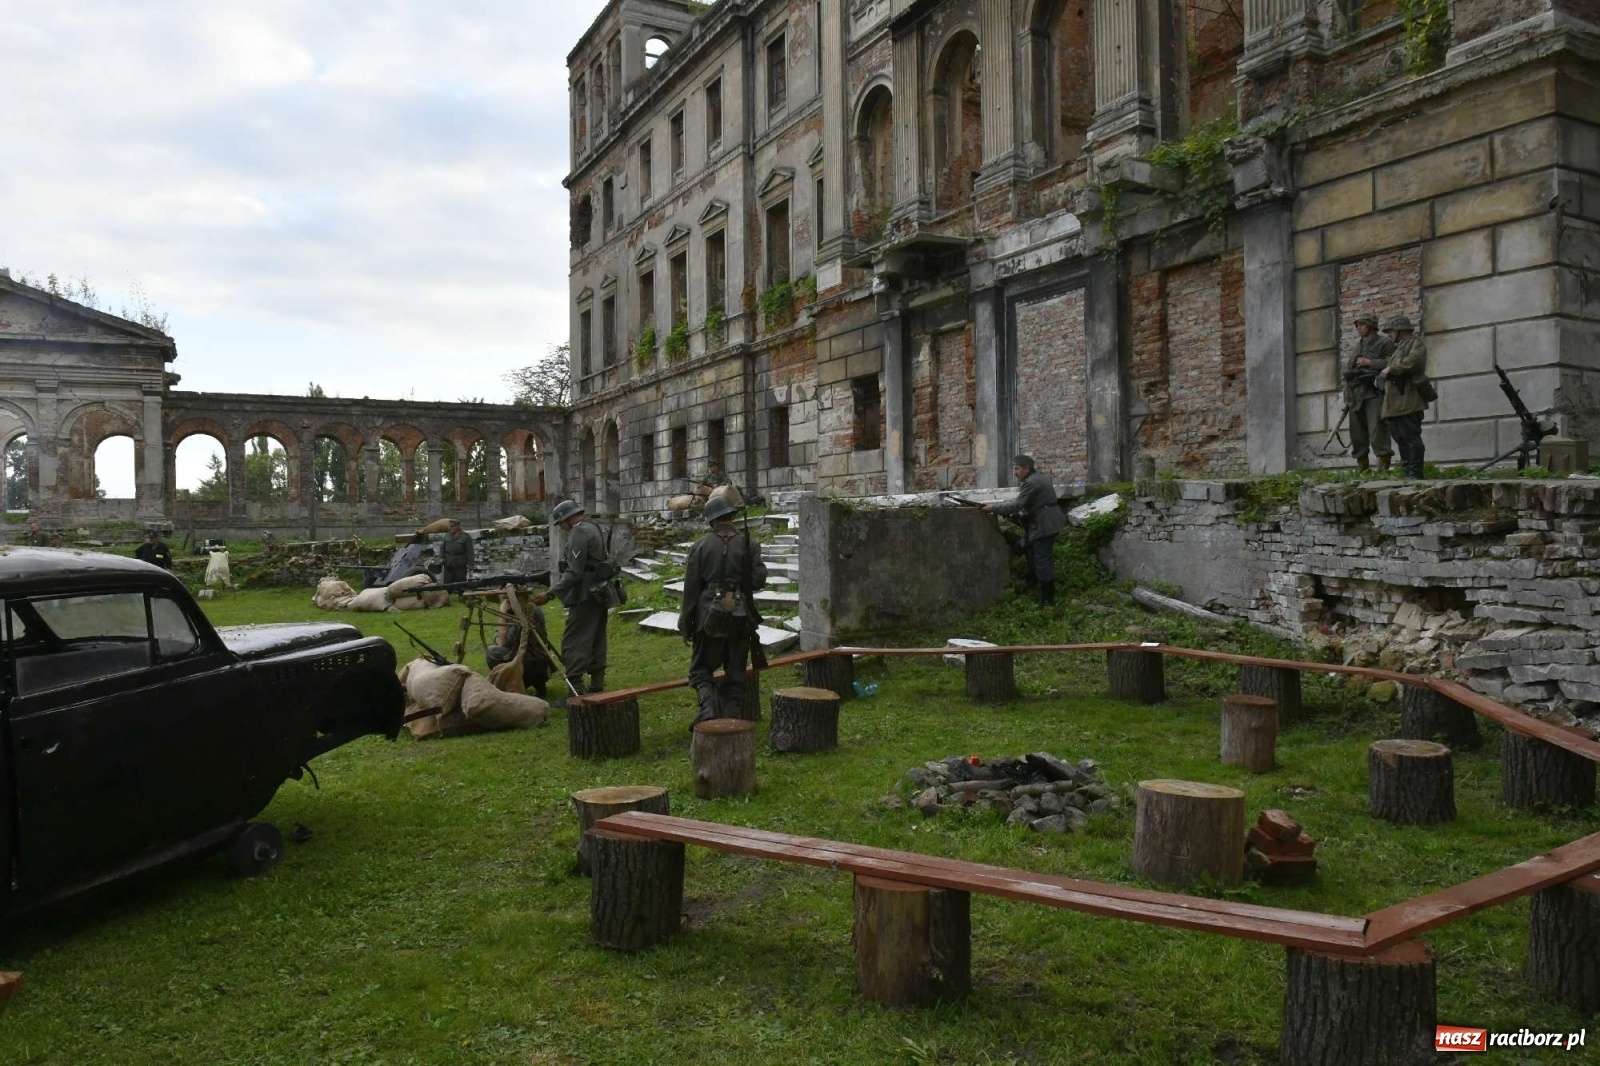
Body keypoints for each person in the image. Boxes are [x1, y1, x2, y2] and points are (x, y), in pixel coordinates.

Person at [679, 494, 767, 728]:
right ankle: (733, 720)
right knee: (736, 673)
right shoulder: (749, 543)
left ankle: (708, 708)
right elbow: (759, 580)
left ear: (711, 520)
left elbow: (691, 589)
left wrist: (685, 622)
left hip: (709, 616)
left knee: (700, 670)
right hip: (740, 615)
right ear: (732, 516)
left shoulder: (700, 546)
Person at [533, 500, 611, 697]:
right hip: (599, 593)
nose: (562, 528)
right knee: (596, 639)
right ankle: (596, 685)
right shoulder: (593, 527)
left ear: (567, 519)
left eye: (561, 524)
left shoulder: (579, 532)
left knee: (573, 641)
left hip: (585, 595)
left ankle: (575, 691)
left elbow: (574, 573)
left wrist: (550, 593)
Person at [983, 454, 1066, 605]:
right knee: (1027, 546)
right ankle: (1032, 580)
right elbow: (1026, 503)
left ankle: (1048, 600)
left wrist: (994, 508)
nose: (1015, 472)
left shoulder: (1031, 483)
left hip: (1044, 524)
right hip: (1049, 520)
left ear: (1026, 469)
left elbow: (1017, 505)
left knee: (1043, 560)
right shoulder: (1039, 478)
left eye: (1017, 468)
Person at [1378, 315, 1432, 479]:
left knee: (1410, 436)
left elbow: (1413, 361)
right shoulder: (1400, 347)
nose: (1389, 335)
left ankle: (1415, 472)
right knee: (1399, 437)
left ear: (1400, 330)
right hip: (1395, 401)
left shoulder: (1415, 343)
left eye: (1391, 331)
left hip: (1409, 398)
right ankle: (1407, 470)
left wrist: (1391, 368)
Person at [1343, 312, 1394, 473]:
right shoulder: (1360, 345)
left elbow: (1393, 362)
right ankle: (1362, 466)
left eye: (1362, 325)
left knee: (1377, 429)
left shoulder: (1384, 343)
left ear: (1371, 326)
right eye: (1357, 325)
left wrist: (1370, 362)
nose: (1359, 328)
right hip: (1355, 395)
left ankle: (1383, 464)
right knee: (1357, 433)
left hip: (1374, 392)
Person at [486, 588, 553, 699]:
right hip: (534, 661)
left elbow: (502, 642)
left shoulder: (526, 612)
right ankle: (535, 685)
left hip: (531, 663)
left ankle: (516, 683)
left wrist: (503, 614)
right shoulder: (527, 609)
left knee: (493, 652)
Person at [438, 520, 474, 586]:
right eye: (449, 527)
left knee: (460, 582)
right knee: (447, 583)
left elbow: (470, 551)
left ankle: (460, 595)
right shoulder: (447, 535)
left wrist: (470, 564)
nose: (450, 528)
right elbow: (442, 547)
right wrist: (441, 557)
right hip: (448, 563)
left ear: (457, 527)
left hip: (460, 564)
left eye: (452, 526)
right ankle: (449, 595)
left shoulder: (466, 537)